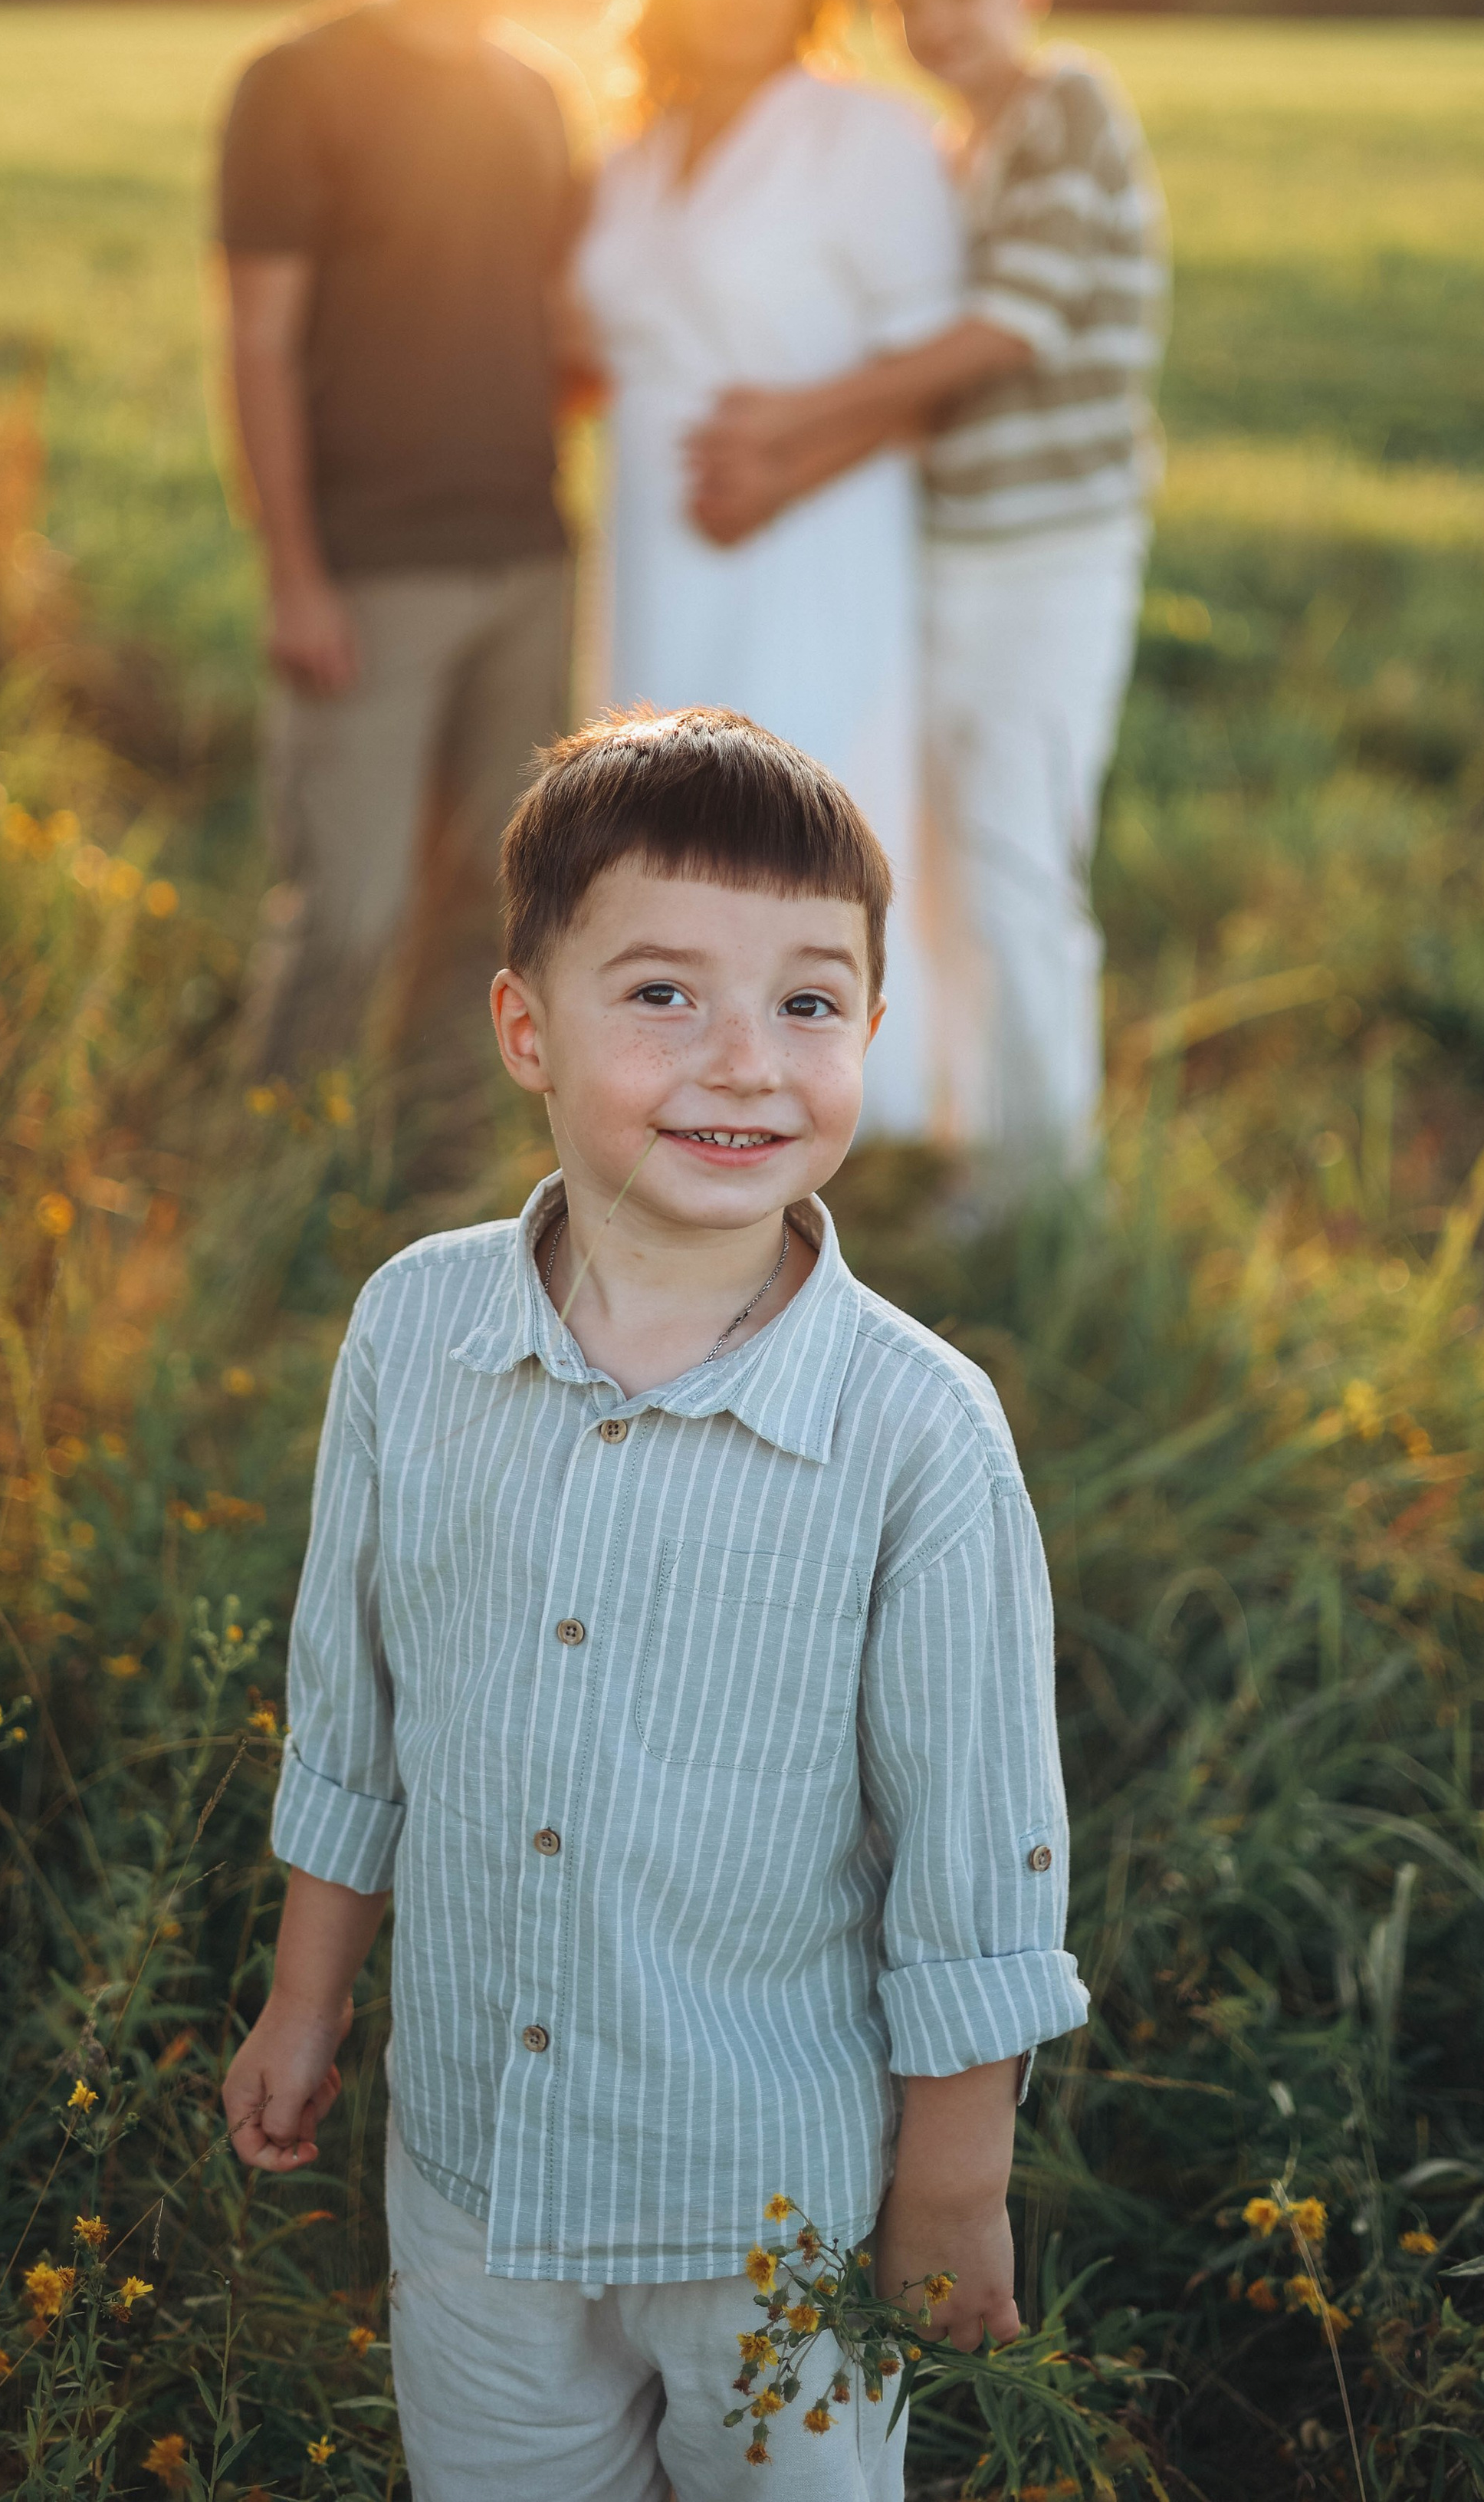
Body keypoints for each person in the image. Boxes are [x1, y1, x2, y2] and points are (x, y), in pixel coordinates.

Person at [222, 708, 1086, 2502]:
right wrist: (308, 2002)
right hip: (473, 2162)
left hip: (770, 2200)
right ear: (526, 1027)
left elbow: (976, 1839)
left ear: (866, 1022)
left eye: (808, 1001)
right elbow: (354, 1706)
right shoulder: (412, 1333)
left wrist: (950, 2182)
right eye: (663, 995)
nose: (745, 1064)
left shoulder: (916, 1431)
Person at [689, 0, 1168, 1179]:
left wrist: (790, 418)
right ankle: (975, 1132)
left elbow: (1007, 332)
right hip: (960, 551)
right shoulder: (964, 144)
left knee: (1015, 862)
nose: (938, 22)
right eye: (910, 0)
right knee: (948, 859)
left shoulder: (1066, 105)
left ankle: (1042, 1182)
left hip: (1051, 556)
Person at [573, 0, 964, 1140]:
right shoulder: (636, 152)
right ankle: (670, 1068)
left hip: (811, 529)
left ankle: (836, 1093)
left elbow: (930, 362)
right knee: (658, 805)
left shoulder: (862, 135)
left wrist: (784, 468)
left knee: (801, 792)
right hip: (648, 533)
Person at [217, 0, 581, 1075]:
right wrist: (295, 576)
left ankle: (419, 1183)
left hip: (531, 559)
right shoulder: (295, 81)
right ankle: (272, 1184)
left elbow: (551, 324)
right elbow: (257, 342)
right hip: (367, 574)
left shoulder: (540, 94)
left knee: (495, 921)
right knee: (351, 909)